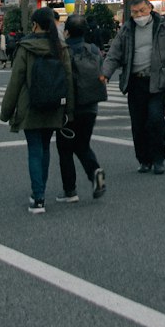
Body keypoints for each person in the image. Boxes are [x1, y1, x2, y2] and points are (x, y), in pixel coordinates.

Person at [0, 6, 75, 212]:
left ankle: (38, 196)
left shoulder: (26, 47)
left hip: (30, 105)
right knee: (44, 148)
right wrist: (69, 110)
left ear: (34, 24)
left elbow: (16, 82)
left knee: (34, 150)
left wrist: (6, 111)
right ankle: (39, 193)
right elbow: (68, 79)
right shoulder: (61, 47)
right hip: (54, 106)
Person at [101, 0, 165, 174]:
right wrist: (105, 73)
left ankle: (158, 159)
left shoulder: (163, 26)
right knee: (138, 123)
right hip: (135, 81)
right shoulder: (127, 29)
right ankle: (144, 160)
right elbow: (114, 53)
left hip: (157, 80)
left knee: (156, 120)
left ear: (150, 8)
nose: (139, 15)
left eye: (142, 10)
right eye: (135, 12)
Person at [55, 14, 106, 202]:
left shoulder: (62, 51)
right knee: (83, 144)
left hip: (68, 108)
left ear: (66, 31)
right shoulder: (93, 49)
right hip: (90, 106)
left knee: (65, 149)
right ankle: (95, 172)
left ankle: (70, 191)